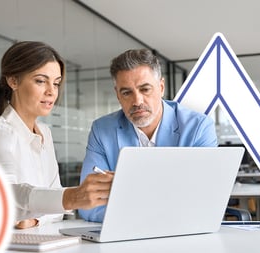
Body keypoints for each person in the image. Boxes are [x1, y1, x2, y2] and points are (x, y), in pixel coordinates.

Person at [0, 41, 113, 229]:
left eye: (55, 83)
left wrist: (35, 219)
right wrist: (71, 197)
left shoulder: (44, 133)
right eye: (40, 81)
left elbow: (56, 212)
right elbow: (6, 197)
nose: (51, 92)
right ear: (13, 81)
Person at [78, 49, 218, 222]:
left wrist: (128, 198)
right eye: (127, 92)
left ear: (161, 87)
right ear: (117, 95)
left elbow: (204, 198)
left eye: (145, 89)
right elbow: (88, 203)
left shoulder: (198, 127)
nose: (137, 101)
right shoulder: (102, 130)